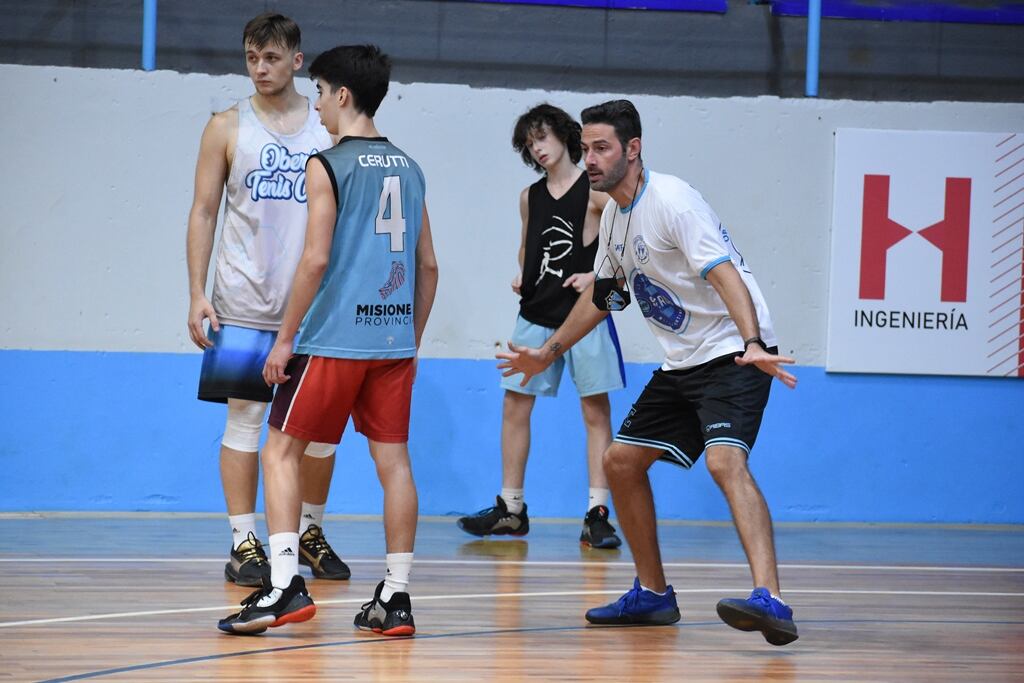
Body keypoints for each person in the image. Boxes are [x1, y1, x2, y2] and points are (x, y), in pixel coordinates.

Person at [497, 99, 800, 646]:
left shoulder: (673, 202)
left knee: (724, 462)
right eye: (585, 148)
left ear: (632, 150)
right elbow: (606, 297)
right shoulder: (614, 215)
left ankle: (771, 599)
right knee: (620, 461)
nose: (589, 159)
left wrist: (754, 342)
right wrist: (549, 351)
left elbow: (726, 274)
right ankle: (654, 595)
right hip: (683, 360)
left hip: (734, 350)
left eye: (601, 148)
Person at [217, 44, 438, 637]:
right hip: (391, 345)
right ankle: (395, 596)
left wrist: (285, 340)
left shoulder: (328, 164)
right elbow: (429, 267)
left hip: (334, 339)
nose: (315, 105)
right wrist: (407, 339)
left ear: (342, 95)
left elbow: (314, 260)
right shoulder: (410, 168)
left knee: (280, 450)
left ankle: (285, 585)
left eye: (318, 92)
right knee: (394, 463)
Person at [185, 12, 349, 589]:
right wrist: (196, 293)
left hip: (316, 309)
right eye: (252, 58)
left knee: (323, 430)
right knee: (246, 421)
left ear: (297, 61)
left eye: (272, 58)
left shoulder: (327, 129)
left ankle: (309, 530)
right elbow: (205, 211)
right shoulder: (227, 126)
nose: (260, 69)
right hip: (242, 302)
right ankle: (243, 539)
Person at [458, 104, 625, 549]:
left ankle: (597, 512)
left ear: (564, 136)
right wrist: (521, 273)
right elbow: (525, 246)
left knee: (595, 410)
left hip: (583, 318)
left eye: (543, 137)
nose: (538, 147)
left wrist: (597, 275)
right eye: (530, 142)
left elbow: (626, 241)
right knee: (515, 405)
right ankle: (511, 508)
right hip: (535, 312)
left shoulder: (595, 194)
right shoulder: (528, 196)